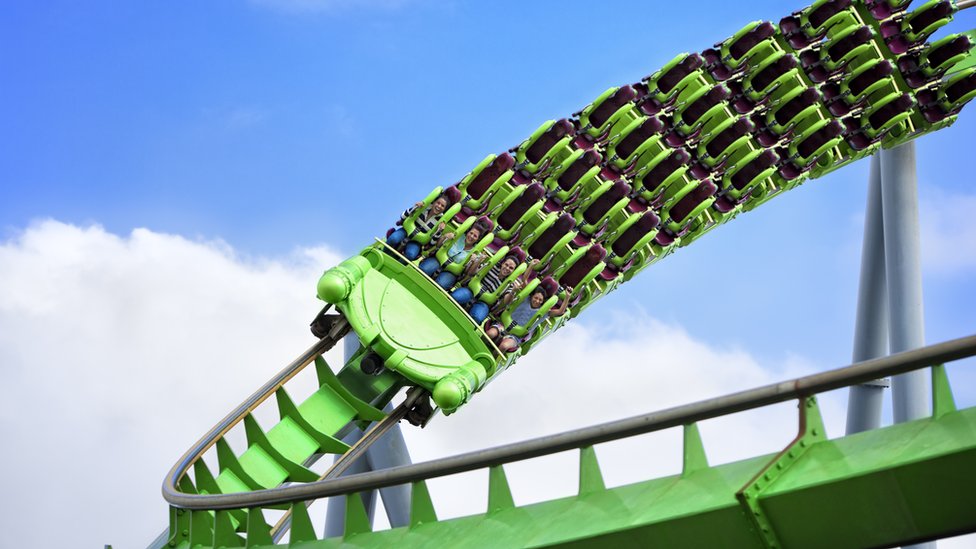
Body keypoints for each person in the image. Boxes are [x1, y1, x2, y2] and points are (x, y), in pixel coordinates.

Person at [451, 256, 537, 324]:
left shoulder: (510, 283)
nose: (507, 269)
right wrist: (478, 261)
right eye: (506, 265)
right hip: (471, 292)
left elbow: (507, 301)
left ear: (513, 271)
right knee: (454, 297)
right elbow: (472, 273)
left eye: (511, 268)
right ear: (502, 263)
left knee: (477, 318)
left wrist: (513, 291)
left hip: (484, 303)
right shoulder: (492, 267)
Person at [486, 285, 572, 352]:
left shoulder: (543, 312)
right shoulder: (525, 299)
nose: (537, 301)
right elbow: (526, 285)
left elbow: (560, 312)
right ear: (531, 297)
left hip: (515, 336)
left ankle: (492, 359)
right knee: (490, 334)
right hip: (503, 325)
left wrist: (567, 297)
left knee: (503, 346)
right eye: (536, 298)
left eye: (540, 300)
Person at [418, 221, 489, 289]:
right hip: (438, 260)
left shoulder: (476, 252)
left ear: (478, 239)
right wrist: (445, 237)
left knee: (440, 284)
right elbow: (438, 245)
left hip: (451, 272)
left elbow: (469, 273)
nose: (471, 236)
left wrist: (473, 262)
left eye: (475, 236)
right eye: (471, 233)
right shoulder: (458, 236)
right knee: (424, 269)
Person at [386, 193, 452, 260]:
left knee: (411, 255)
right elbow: (403, 216)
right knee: (393, 239)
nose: (439, 206)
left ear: (444, 209)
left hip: (417, 241)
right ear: (434, 202)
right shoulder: (424, 207)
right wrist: (415, 207)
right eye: (438, 203)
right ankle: (384, 253)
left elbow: (432, 242)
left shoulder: (440, 220)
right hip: (406, 231)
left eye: (442, 206)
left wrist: (439, 230)